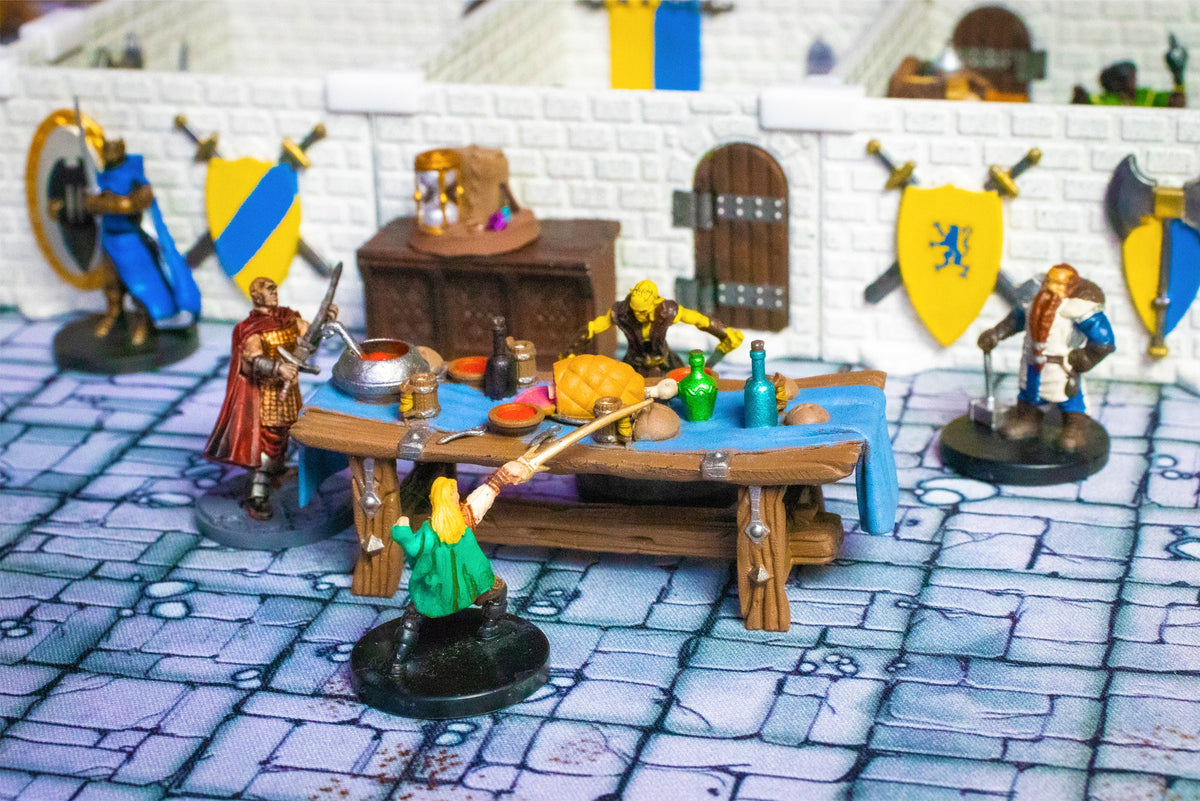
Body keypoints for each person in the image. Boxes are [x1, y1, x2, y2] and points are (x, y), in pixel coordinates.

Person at [203, 276, 336, 521]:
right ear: (256, 296)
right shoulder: (252, 329)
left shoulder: (288, 318)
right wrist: (277, 368)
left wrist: (325, 321)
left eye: (275, 288)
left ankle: (278, 471)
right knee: (267, 440)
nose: (274, 292)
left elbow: (310, 341)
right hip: (265, 395)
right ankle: (258, 494)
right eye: (268, 289)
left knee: (286, 433)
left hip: (289, 392)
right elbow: (251, 361)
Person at [49, 137, 201, 345]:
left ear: (121, 150)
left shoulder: (135, 177)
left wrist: (104, 203)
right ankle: (114, 315)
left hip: (132, 242)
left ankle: (144, 321)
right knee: (111, 285)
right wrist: (72, 205)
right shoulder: (100, 179)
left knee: (141, 286)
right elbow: (85, 203)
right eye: (107, 150)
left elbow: (135, 203)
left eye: (114, 149)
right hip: (109, 240)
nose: (109, 153)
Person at [388, 467, 534, 675]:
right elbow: (483, 497)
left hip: (437, 592)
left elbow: (412, 547)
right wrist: (499, 479)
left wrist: (402, 531)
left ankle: (398, 659)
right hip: (472, 588)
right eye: (455, 494)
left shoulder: (429, 532)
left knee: (412, 617)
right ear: (451, 499)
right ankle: (489, 630)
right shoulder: (464, 519)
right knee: (498, 591)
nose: (458, 496)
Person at [977, 264, 1115, 451]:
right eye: (1048, 281)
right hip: (1032, 360)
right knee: (1029, 393)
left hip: (1061, 364)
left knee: (1069, 397)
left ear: (1071, 288)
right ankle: (1028, 420)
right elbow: (1016, 320)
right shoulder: (1033, 301)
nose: (1051, 287)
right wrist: (995, 334)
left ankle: (1074, 427)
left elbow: (1104, 340)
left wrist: (1086, 358)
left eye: (1059, 284)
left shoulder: (1077, 309)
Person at [560, 279, 745, 376]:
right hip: (634, 362)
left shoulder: (668, 311)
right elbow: (593, 327)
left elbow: (697, 320)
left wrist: (724, 333)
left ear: (655, 303)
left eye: (643, 311)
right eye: (635, 311)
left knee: (680, 390)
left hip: (664, 361)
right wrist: (571, 353)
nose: (638, 316)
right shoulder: (621, 312)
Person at [1071, 35, 1187, 107]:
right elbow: (1083, 105)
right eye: (1129, 78)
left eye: (1133, 77)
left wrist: (1178, 77)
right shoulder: (1107, 100)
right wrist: (1080, 97)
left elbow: (1177, 103)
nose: (1133, 81)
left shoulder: (1145, 96)